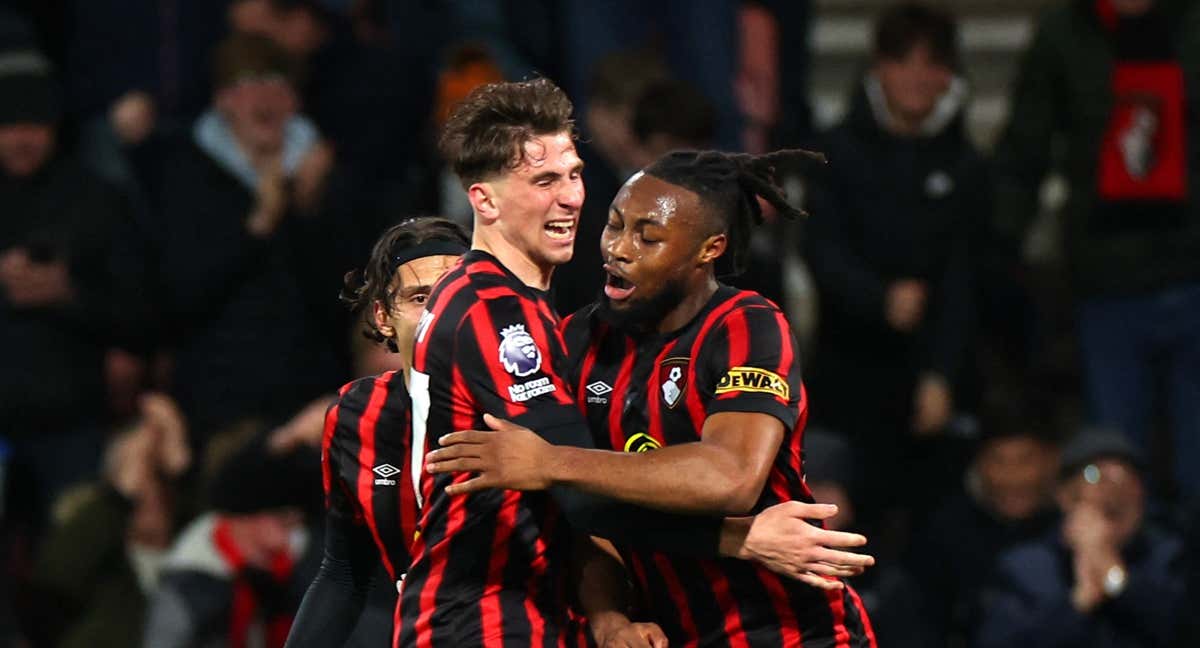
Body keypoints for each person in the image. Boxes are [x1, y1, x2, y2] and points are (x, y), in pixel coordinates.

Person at [401, 79, 874, 647]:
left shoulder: (746, 325)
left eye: (647, 237)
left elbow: (730, 476)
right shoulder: (568, 335)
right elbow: (586, 514)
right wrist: (607, 613)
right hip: (659, 631)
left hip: (784, 630)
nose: (617, 247)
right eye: (617, 224)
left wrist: (555, 462)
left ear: (709, 250)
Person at [992, 0, 1200, 498]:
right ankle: (1117, 574)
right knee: (1114, 462)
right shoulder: (1065, 31)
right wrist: (1002, 250)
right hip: (1105, 279)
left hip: (1192, 271)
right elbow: (1025, 148)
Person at [802, 2, 982, 527]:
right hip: (847, 375)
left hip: (927, 385)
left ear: (949, 74)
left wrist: (941, 375)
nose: (918, 78)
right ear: (879, 66)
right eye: (904, 61)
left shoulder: (965, 164)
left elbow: (963, 277)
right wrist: (880, 300)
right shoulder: (834, 153)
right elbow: (820, 253)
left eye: (932, 65)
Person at [153, 33, 353, 441]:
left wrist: (310, 208)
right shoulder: (186, 175)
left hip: (311, 396)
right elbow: (180, 297)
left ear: (295, 100)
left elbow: (347, 297)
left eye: (277, 84)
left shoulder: (325, 174)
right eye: (247, 84)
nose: (264, 97)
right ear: (223, 100)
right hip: (222, 402)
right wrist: (257, 227)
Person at [284, 217, 469, 647]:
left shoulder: (520, 399)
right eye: (421, 297)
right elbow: (344, 572)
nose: (438, 314)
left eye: (453, 294)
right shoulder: (356, 416)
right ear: (384, 317)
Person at [0, 41, 150, 526]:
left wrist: (67, 295)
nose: (22, 138)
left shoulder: (96, 199)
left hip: (71, 420)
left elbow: (143, 312)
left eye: (34, 123)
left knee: (70, 567)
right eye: (9, 124)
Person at [975, 430, 1185, 648]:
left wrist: (1114, 577)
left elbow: (1181, 629)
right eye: (1094, 474)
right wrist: (1079, 602)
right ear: (1064, 495)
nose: (1115, 488)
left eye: (1127, 475)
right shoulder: (1025, 569)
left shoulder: (1169, 559)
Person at [141, 431, 321, 648]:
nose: (283, 541)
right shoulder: (187, 589)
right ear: (240, 518)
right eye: (281, 522)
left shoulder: (301, 572)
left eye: (294, 524)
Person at [911, 407, 1060, 647]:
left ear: (1051, 461)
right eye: (998, 460)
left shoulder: (1072, 530)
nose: (1013, 478)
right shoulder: (947, 533)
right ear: (979, 464)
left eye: (1025, 460)